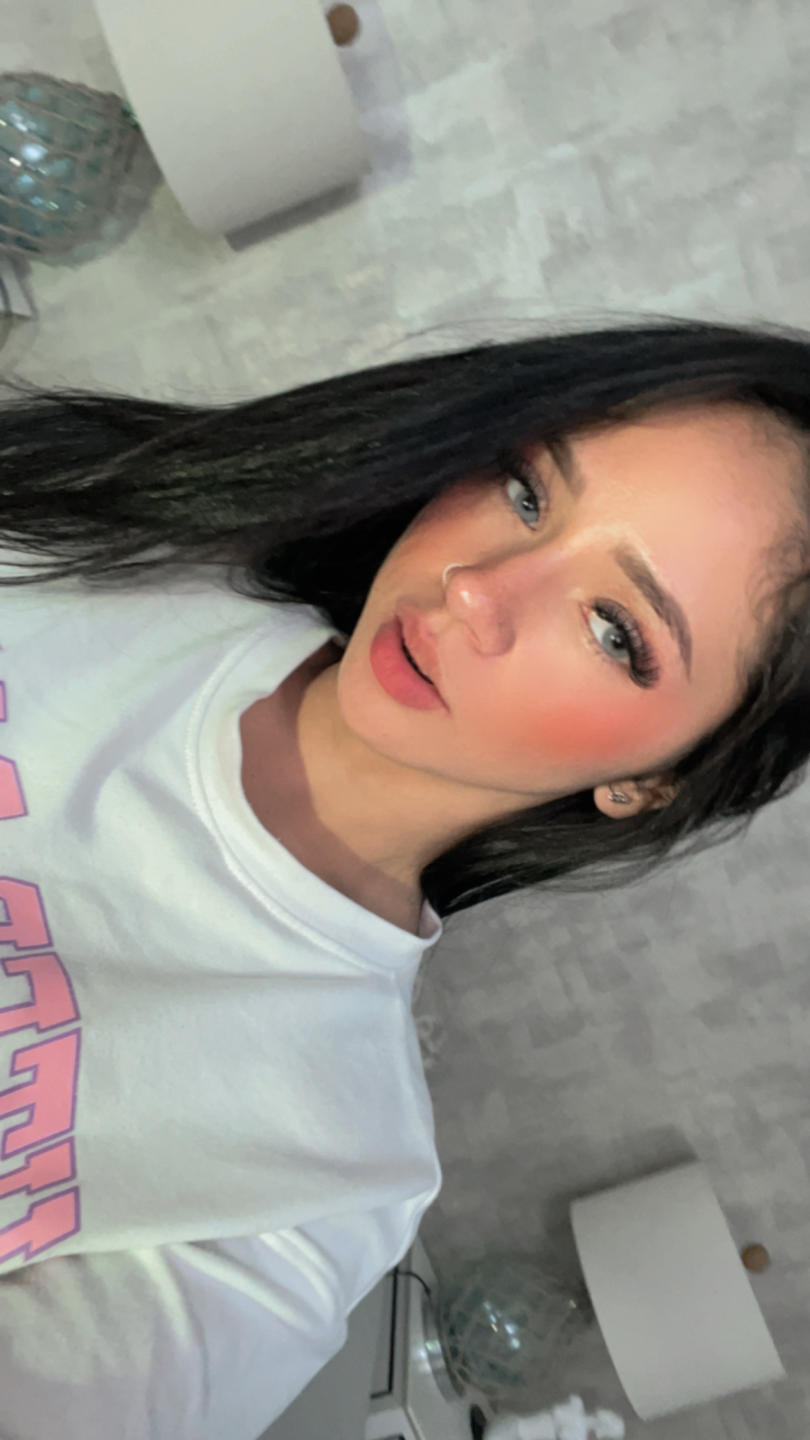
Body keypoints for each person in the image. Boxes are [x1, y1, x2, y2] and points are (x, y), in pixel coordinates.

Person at [0, 315, 808, 1437]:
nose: (477, 588)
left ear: (651, 782)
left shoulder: (332, 1176)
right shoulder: (123, 531)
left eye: (615, 631)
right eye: (527, 492)